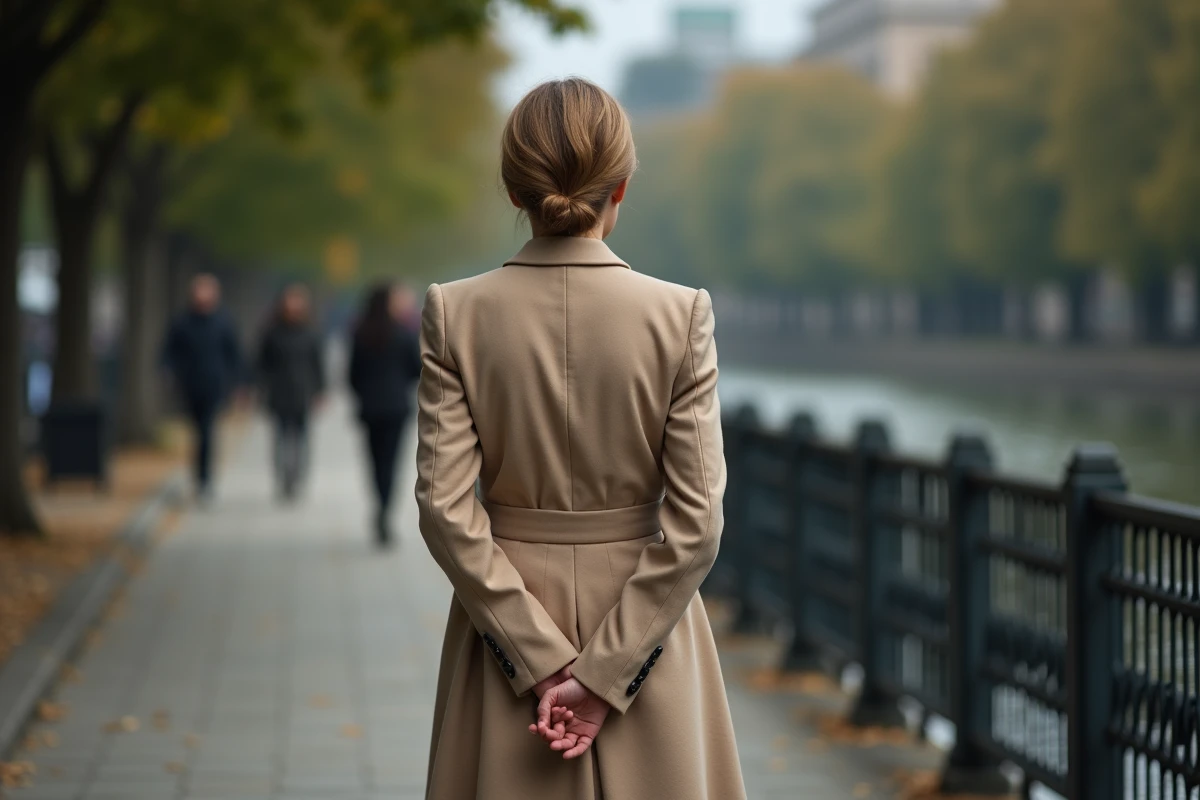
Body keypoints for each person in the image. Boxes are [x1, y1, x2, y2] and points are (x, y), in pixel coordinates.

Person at [415, 79, 745, 799]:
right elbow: (697, 527)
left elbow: (444, 509)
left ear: (514, 191)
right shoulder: (681, 315)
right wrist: (603, 676)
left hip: (504, 630)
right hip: (645, 635)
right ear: (620, 188)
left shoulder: (455, 313)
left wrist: (536, 658)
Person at [348, 283, 421, 546]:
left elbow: (352, 374)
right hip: (396, 407)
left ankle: (379, 501)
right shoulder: (403, 334)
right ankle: (385, 509)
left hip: (370, 407)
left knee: (374, 460)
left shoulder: (360, 333)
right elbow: (416, 369)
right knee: (391, 461)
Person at [162, 274, 242, 503]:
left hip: (215, 386)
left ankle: (205, 479)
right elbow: (169, 351)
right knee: (197, 431)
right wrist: (168, 370)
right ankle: (198, 474)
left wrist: (238, 383)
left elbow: (233, 354)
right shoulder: (182, 322)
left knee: (208, 430)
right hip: (190, 385)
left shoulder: (223, 322)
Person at [256, 284, 326, 501]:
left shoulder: (310, 333)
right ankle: (283, 476)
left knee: (301, 438)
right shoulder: (272, 334)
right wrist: (260, 388)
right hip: (279, 392)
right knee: (281, 438)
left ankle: (297, 475)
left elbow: (317, 364)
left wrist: (320, 390)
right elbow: (261, 364)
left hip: (303, 393)